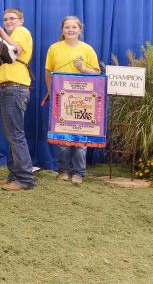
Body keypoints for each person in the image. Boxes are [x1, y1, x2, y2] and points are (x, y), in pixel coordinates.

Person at [42, 16, 100, 185]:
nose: (70, 30)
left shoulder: (87, 49)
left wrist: (82, 68)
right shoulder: (54, 48)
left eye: (74, 27)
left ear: (79, 30)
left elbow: (97, 73)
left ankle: (79, 173)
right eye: (67, 27)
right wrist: (50, 91)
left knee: (80, 138)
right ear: (62, 30)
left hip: (83, 100)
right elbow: (48, 72)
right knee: (63, 137)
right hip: (61, 99)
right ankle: (64, 170)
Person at [0, 8, 35, 191]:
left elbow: (17, 50)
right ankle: (14, 175)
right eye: (5, 19)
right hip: (7, 89)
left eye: (12, 18)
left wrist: (1, 32)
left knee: (16, 136)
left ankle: (25, 179)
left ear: (21, 20)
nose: (8, 21)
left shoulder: (21, 32)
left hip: (14, 89)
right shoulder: (11, 37)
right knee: (12, 135)